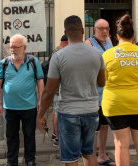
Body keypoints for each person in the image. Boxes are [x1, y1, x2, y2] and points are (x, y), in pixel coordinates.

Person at [37, 15, 105, 166]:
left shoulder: (59, 56)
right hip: (92, 110)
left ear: (65, 32)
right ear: (82, 30)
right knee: (89, 153)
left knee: (71, 159)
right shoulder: (96, 54)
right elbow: (101, 82)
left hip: (69, 112)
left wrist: (41, 114)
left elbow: (49, 91)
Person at [102, 14, 138, 166]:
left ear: (117, 36)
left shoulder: (108, 54)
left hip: (115, 102)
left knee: (121, 145)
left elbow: (103, 81)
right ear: (133, 36)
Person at [0, 34, 44, 166]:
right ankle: (11, 161)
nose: (13, 49)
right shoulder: (3, 63)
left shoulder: (33, 62)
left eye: (16, 47)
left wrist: (41, 100)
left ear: (24, 47)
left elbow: (40, 80)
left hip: (29, 107)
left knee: (29, 135)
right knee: (11, 137)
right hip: (10, 108)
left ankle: (30, 160)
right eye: (11, 47)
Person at [85, 18, 115, 166]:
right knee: (94, 129)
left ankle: (102, 155)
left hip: (108, 93)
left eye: (107, 28)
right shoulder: (89, 43)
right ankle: (92, 158)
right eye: (101, 28)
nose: (104, 31)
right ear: (94, 29)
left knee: (105, 126)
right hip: (94, 94)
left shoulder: (109, 41)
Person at [50, 34, 68, 147]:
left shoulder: (55, 51)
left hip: (55, 88)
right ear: (66, 42)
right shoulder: (60, 53)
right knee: (57, 112)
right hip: (59, 89)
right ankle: (58, 137)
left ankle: (54, 133)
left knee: (54, 111)